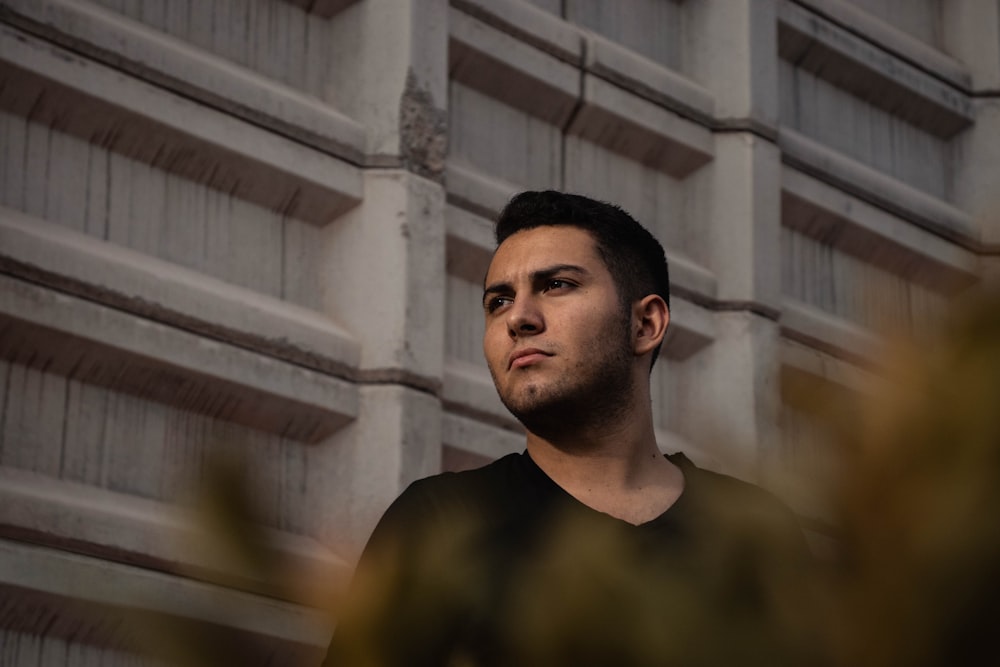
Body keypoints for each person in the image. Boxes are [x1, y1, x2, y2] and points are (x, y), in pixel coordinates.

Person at [323, 191, 815, 667]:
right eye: (498, 302)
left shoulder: (752, 533)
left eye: (556, 284)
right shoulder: (443, 524)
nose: (518, 318)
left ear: (645, 324)